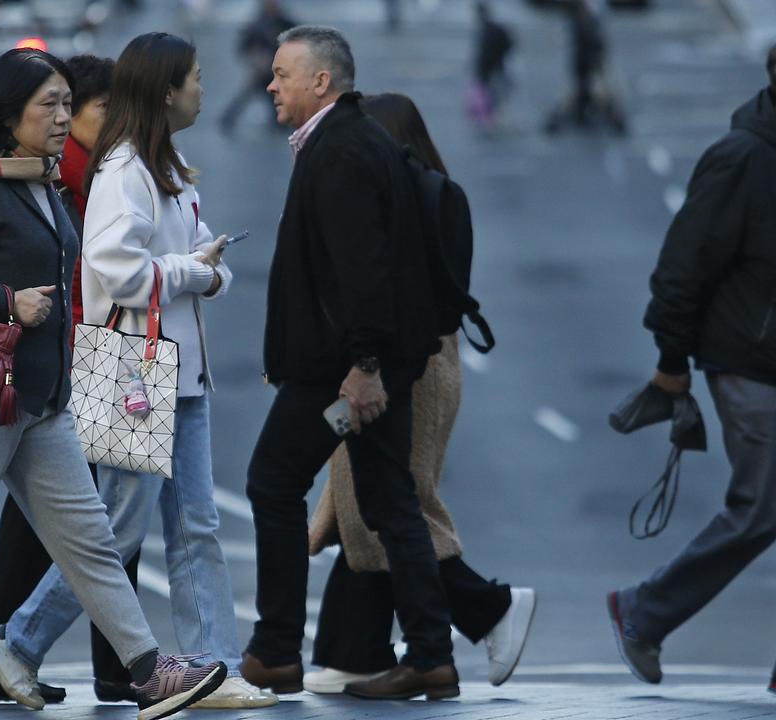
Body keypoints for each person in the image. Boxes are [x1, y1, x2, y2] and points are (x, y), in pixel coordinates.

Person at [0, 47, 227, 720]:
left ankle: (150, 672)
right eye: (49, 105)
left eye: (68, 102)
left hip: (41, 401)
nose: (64, 116)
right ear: (9, 115)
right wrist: (3, 299)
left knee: (92, 540)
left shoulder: (39, 183)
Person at [0, 33, 277, 711]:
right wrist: (193, 272)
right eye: (196, 78)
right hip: (131, 368)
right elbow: (111, 265)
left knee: (193, 524)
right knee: (118, 529)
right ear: (166, 90)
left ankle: (213, 668)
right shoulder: (126, 168)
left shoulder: (160, 163)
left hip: (172, 371)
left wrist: (206, 268)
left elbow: (173, 266)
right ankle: (18, 640)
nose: (206, 88)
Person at [610, 30, 776, 697]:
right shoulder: (737, 160)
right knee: (761, 507)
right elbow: (681, 268)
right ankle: (642, 611)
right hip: (749, 365)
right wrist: (672, 362)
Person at [241, 25, 459, 701]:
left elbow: (362, 272)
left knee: (273, 483)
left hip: (340, 376)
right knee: (391, 501)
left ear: (321, 82)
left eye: (282, 74)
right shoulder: (354, 141)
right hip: (370, 369)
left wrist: (363, 367)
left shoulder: (339, 152)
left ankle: (277, 650)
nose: (270, 84)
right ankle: (431, 656)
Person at [302, 92, 536, 695]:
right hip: (411, 365)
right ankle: (353, 650)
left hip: (406, 369)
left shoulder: (413, 201)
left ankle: (489, 609)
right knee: (370, 502)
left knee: (391, 505)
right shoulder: (427, 195)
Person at [0, 53, 135, 706]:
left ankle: (99, 666)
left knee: (83, 517)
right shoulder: (63, 179)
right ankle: (102, 666)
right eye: (95, 108)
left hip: (107, 355)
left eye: (75, 107)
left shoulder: (94, 172)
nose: (81, 119)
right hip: (90, 355)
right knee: (95, 517)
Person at [544, 0, 625, 134]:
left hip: (586, 60)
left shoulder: (583, 20)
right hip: (587, 59)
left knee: (595, 91)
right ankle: (609, 119)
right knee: (596, 91)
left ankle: (607, 118)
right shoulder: (585, 20)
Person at [218, 0, 295, 135]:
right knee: (248, 97)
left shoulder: (285, 23)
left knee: (277, 102)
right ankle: (227, 120)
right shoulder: (256, 25)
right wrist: (255, 58)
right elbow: (244, 47)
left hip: (279, 72)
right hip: (262, 72)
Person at [467, 2, 513, 127]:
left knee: (488, 93)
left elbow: (484, 53)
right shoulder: (494, 29)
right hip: (495, 66)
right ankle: (490, 117)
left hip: (488, 67)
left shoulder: (487, 30)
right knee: (493, 92)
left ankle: (489, 118)